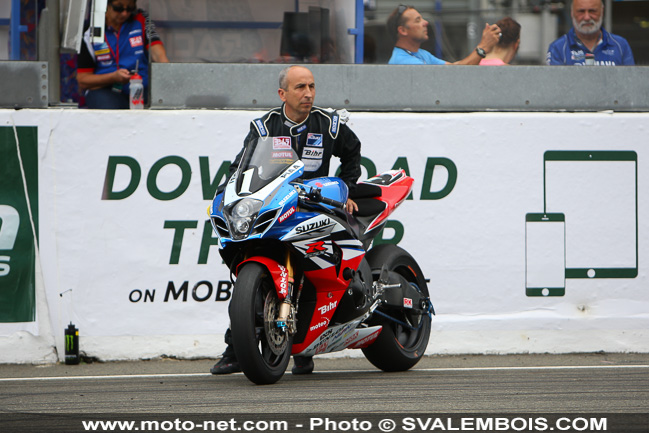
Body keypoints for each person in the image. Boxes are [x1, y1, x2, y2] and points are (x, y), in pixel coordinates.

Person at [211, 65, 363, 376]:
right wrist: (231, 193)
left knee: (314, 269)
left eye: (311, 86)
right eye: (300, 88)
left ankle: (304, 350)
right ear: (283, 94)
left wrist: (345, 187)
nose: (308, 93)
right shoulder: (265, 126)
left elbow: (353, 152)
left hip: (316, 206)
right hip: (277, 208)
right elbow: (241, 167)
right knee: (248, 275)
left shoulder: (329, 124)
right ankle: (237, 348)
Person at [77, 0, 170, 109]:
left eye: (130, 8)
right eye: (118, 8)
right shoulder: (89, 31)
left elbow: (159, 55)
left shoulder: (141, 19)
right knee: (110, 110)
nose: (125, 13)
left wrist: (169, 76)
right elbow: (83, 80)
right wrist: (113, 77)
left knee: (162, 104)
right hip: (105, 89)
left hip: (141, 85)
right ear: (105, 6)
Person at [387, 5, 501, 65]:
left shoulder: (421, 54)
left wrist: (483, 47)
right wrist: (483, 48)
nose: (425, 22)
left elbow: (454, 68)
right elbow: (453, 75)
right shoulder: (403, 62)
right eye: (418, 20)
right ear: (403, 30)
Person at [546, 0, 634, 65]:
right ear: (572, 13)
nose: (587, 17)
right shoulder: (558, 48)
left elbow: (630, 83)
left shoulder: (620, 45)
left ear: (602, 11)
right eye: (581, 11)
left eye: (592, 11)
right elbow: (553, 87)